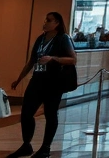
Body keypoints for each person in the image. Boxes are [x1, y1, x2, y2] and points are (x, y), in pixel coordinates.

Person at [7, 12, 78, 158]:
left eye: (49, 20)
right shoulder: (41, 39)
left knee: (50, 113)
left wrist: (53, 58)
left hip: (54, 82)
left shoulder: (63, 38)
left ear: (57, 23)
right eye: (45, 19)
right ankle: (26, 144)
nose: (45, 22)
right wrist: (19, 79)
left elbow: (72, 59)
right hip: (37, 80)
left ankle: (45, 147)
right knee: (26, 112)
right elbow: (32, 61)